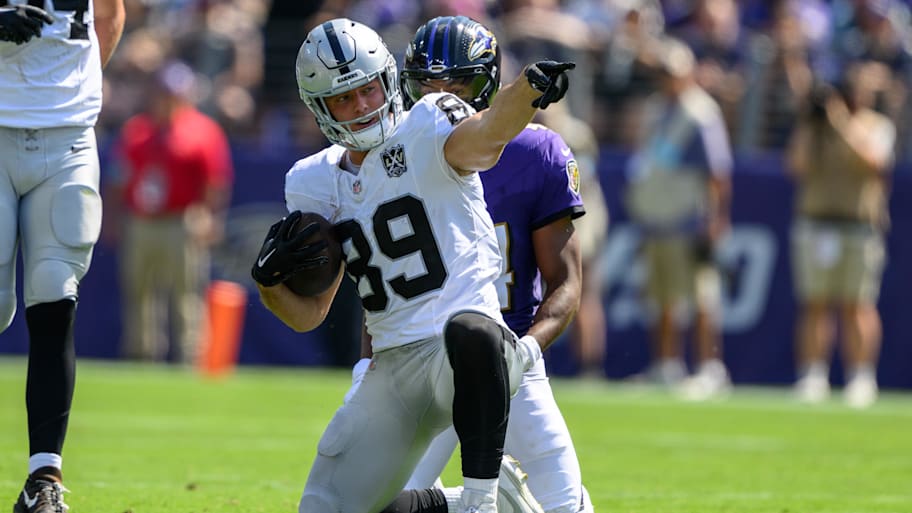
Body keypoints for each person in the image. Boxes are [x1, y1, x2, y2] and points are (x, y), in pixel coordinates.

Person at [249, 18, 574, 513]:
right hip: (394, 367)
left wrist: (526, 89)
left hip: (467, 358)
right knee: (326, 508)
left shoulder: (429, 122)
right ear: (319, 107)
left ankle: (481, 503)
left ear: (388, 80)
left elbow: (487, 134)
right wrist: (269, 286)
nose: (361, 105)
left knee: (471, 331)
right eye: (344, 98)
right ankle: (475, 501)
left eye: (368, 89)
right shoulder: (311, 181)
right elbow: (309, 315)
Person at [342, 16, 594, 513]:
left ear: (491, 84)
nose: (443, 100)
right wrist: (370, 367)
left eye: (459, 85)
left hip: (506, 354)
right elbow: (386, 288)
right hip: (420, 362)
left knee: (567, 508)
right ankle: (481, 502)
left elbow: (565, 281)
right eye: (429, 87)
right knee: (370, 505)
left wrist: (524, 353)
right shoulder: (390, 158)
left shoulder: (537, 153)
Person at [0, 0, 125, 511]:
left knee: (56, 294)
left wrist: (75, 91)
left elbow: (111, 13)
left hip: (68, 135)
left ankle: (43, 477)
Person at [624, 37, 733, 400]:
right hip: (657, 218)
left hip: (688, 218)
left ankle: (709, 368)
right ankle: (666, 365)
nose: (665, 79)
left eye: (670, 73)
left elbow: (718, 173)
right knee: (661, 297)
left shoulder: (701, 114)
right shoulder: (657, 109)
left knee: (700, 298)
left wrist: (716, 220)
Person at [106, 59, 234, 364]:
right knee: (139, 293)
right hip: (141, 220)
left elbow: (216, 182)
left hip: (182, 220)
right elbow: (117, 178)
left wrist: (211, 218)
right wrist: (112, 218)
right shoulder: (137, 131)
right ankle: (141, 355)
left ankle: (189, 358)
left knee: (186, 294)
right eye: (163, 93)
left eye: (174, 94)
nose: (167, 100)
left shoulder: (203, 131)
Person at [785, 62, 895, 409]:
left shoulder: (876, 125)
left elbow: (874, 160)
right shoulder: (816, 128)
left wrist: (840, 121)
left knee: (857, 304)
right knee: (815, 303)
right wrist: (811, 120)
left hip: (858, 225)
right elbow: (796, 166)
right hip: (817, 223)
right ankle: (813, 374)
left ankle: (861, 377)